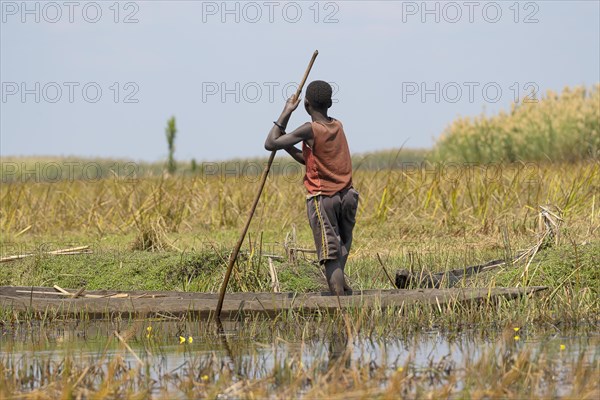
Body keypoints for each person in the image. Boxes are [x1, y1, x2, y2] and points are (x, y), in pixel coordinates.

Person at [264, 80, 359, 296]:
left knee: (330, 253)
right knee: (341, 246)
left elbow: (270, 142)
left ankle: (338, 302)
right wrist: (288, 145)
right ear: (330, 104)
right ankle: (342, 291)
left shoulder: (310, 129)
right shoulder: (337, 125)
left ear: (306, 105)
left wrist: (286, 111)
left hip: (323, 198)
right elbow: (310, 161)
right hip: (348, 196)